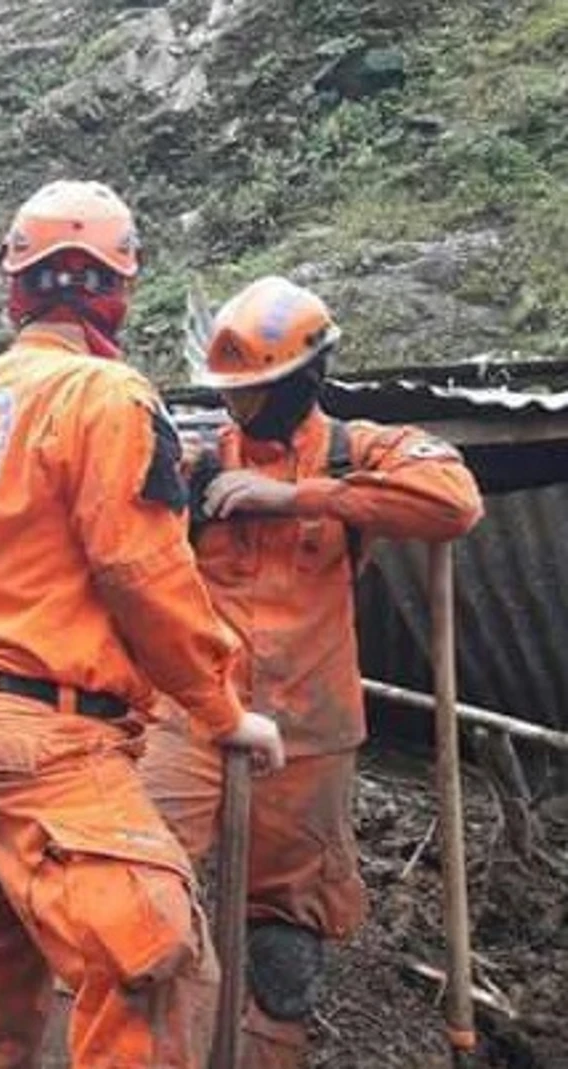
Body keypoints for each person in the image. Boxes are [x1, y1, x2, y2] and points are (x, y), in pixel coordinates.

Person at [0, 179, 286, 1068]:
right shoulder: (107, 397)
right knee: (154, 961)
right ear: (118, 291)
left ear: (15, 289)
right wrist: (221, 708)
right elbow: (144, 573)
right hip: (52, 735)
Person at [142, 277, 483, 1068]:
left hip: (308, 725)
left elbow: (453, 503)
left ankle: (268, 1050)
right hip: (194, 711)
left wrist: (298, 496)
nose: (237, 406)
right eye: (230, 391)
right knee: (137, 874)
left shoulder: (357, 449)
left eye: (252, 391)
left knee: (287, 926)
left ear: (303, 380)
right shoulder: (200, 453)